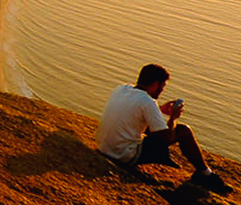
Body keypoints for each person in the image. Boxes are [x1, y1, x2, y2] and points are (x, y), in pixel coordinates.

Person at [96, 64, 233, 194]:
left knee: (152, 128)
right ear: (156, 84)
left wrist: (159, 110)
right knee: (183, 130)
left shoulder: (122, 88)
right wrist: (173, 117)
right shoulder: (148, 102)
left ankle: (192, 168)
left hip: (104, 147)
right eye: (163, 86)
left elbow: (134, 113)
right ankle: (205, 174)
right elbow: (167, 138)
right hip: (123, 154)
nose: (162, 90)